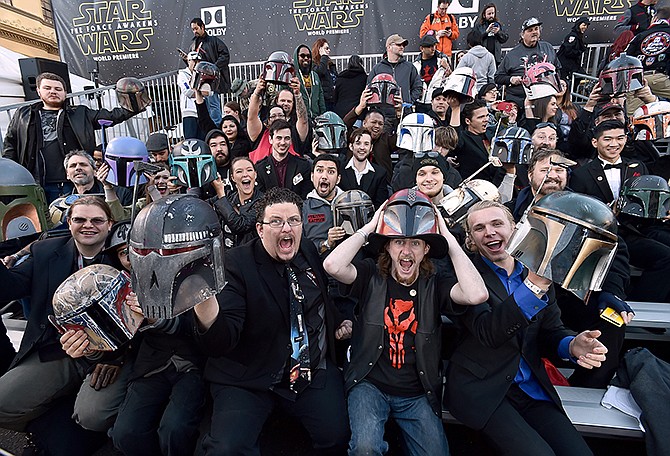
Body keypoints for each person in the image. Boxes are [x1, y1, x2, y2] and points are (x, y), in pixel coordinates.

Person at [323, 188, 488, 456]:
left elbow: (476, 294)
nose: (406, 250)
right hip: (369, 384)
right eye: (399, 242)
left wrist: (446, 237)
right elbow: (332, 266)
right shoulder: (371, 275)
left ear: (425, 250)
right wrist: (370, 227)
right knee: (365, 448)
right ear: (387, 247)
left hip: (416, 392)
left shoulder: (435, 284)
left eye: (415, 243)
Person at [193, 187, 350, 454]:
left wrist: (338, 323)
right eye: (276, 221)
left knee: (336, 436)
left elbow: (319, 298)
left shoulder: (307, 251)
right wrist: (201, 298)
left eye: (293, 221)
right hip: (251, 376)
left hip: (310, 371)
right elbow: (222, 338)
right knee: (227, 448)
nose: (286, 228)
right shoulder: (236, 264)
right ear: (259, 229)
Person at [447, 200, 607, 456]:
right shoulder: (465, 276)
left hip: (530, 390)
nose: (489, 232)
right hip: (484, 391)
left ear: (516, 228)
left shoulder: (535, 273)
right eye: (479, 228)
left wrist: (572, 345)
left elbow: (550, 331)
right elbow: (489, 332)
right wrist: (533, 286)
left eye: (497, 223)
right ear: (471, 239)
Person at [0, 197, 132, 451]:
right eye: (80, 219)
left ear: (110, 224)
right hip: (58, 351)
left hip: (112, 358)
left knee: (92, 415)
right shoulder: (47, 251)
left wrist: (116, 358)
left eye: (96, 220)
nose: (88, 226)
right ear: (69, 222)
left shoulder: (124, 255)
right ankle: (52, 417)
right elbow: (10, 286)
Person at [510, 148, 634, 388]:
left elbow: (616, 253)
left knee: (613, 319)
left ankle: (586, 388)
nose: (553, 175)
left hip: (569, 296)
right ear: (530, 173)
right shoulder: (509, 209)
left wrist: (610, 291)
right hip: (519, 295)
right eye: (546, 169)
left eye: (559, 169)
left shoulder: (587, 210)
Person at [2, 72, 141, 203]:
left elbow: (112, 116)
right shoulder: (23, 115)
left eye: (58, 89)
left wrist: (135, 104)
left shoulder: (80, 113)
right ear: (39, 91)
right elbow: (10, 144)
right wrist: (11, 174)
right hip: (36, 182)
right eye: (47, 88)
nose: (53, 91)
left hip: (74, 182)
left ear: (65, 93)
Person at [494, 18, 560, 111]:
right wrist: (511, 79)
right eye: (530, 30)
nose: (534, 32)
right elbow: (498, 77)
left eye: (536, 29)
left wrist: (561, 81)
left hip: (547, 99)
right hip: (521, 100)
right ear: (522, 34)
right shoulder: (512, 55)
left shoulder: (548, 47)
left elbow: (558, 69)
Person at [246, 77, 310, 162]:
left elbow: (303, 121)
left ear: (286, 118)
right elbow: (252, 116)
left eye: (280, 115)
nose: (277, 118)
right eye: (273, 116)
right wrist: (257, 91)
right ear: (267, 121)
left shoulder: (294, 133)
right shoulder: (259, 134)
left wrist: (297, 95)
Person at [625, 7, 670, 113]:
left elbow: (626, 57)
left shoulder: (639, 36)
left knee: (635, 117)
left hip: (638, 80)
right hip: (661, 77)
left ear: (655, 18)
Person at [212, 156, 263, 248]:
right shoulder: (228, 197)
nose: (245, 174)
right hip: (228, 257)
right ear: (233, 178)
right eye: (239, 171)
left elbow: (240, 225)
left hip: (252, 258)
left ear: (255, 174)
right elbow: (200, 204)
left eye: (249, 170)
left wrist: (220, 193)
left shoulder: (263, 201)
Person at [188, 17, 231, 126]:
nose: (194, 31)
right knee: (203, 104)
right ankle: (208, 127)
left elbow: (225, 55)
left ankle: (216, 127)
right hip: (200, 79)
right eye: (193, 29)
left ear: (203, 27)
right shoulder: (194, 44)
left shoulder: (214, 40)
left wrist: (213, 69)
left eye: (196, 28)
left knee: (213, 104)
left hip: (211, 80)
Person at [255, 120, 312, 199]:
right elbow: (259, 199)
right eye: (279, 138)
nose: (283, 142)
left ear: (291, 140)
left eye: (287, 138)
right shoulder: (260, 168)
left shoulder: (303, 166)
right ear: (270, 139)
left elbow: (306, 197)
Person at [302, 154, 344, 255]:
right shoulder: (302, 208)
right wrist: (327, 243)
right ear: (312, 176)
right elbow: (301, 247)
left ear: (338, 179)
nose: (324, 176)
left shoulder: (351, 202)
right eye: (320, 170)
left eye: (331, 172)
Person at [368, 34, 423, 109]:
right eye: (399, 44)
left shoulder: (409, 67)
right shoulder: (377, 68)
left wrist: (408, 102)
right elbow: (369, 88)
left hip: (403, 112)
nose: (402, 47)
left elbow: (418, 87)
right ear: (389, 47)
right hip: (382, 114)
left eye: (403, 45)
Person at [340, 128, 389, 209]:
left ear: (371, 148)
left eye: (366, 144)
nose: (362, 147)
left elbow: (381, 206)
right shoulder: (340, 170)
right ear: (351, 146)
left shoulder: (380, 173)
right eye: (358, 143)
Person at [413, 34, 451, 113]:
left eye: (434, 45)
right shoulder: (415, 65)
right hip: (420, 102)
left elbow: (450, 78)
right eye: (429, 46)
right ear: (422, 48)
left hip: (436, 102)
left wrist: (447, 68)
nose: (433, 48)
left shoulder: (442, 61)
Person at [178, 51, 206, 141]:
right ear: (188, 61)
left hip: (201, 111)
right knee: (190, 141)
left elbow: (209, 92)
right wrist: (200, 93)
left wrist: (201, 92)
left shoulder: (203, 73)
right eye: (194, 61)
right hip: (189, 111)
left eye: (198, 61)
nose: (196, 63)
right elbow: (188, 92)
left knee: (202, 140)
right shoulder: (183, 74)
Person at [293, 44, 326, 119]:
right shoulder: (292, 77)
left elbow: (320, 97)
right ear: (296, 57)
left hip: (316, 119)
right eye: (302, 56)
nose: (306, 58)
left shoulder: (315, 76)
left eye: (308, 56)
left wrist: (323, 115)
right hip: (299, 120)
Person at [334, 55, 368, 119]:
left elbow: (335, 96)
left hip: (340, 112)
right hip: (357, 113)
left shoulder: (341, 77)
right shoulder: (364, 78)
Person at [312, 39, 338, 112]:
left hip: (333, 100)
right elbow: (321, 72)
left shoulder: (330, 64)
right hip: (323, 101)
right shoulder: (313, 64)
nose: (329, 50)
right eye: (326, 48)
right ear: (319, 49)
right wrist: (323, 56)